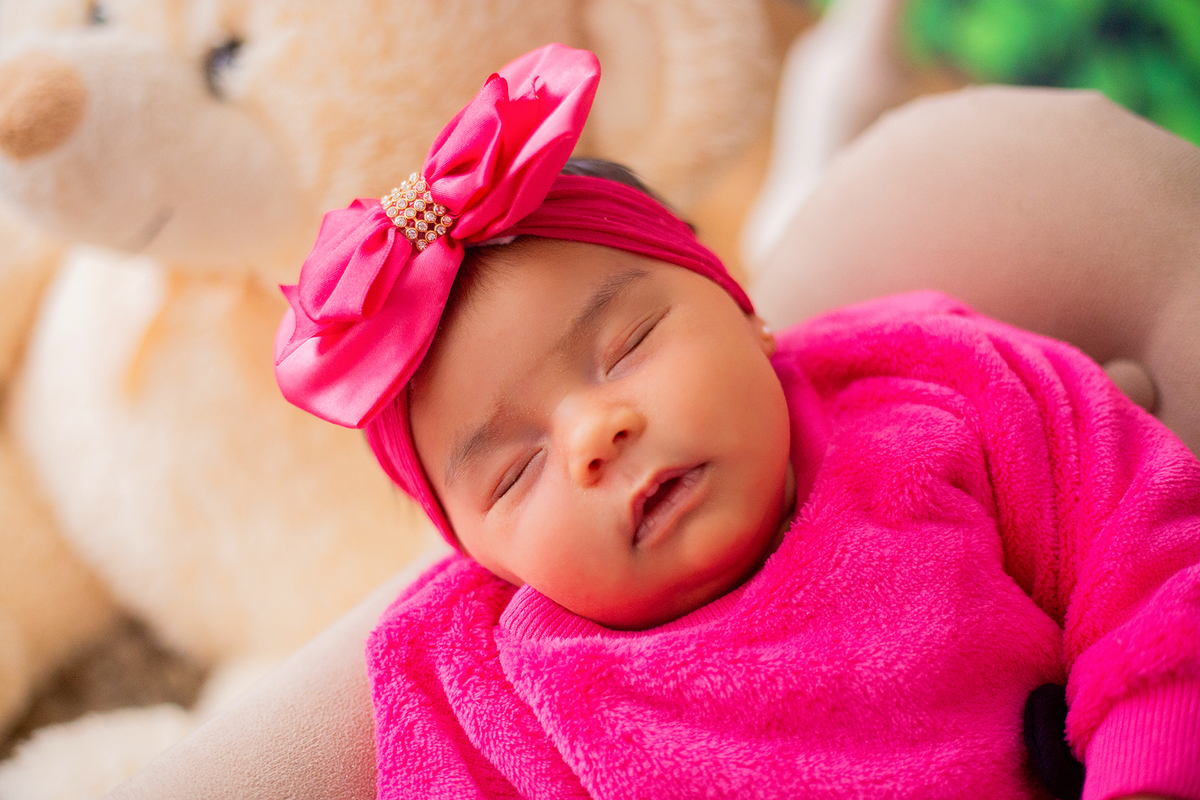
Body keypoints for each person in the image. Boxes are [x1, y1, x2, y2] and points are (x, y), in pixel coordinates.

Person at [106, 46, 1198, 800]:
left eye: (624, 346)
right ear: (478, 555)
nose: (594, 432)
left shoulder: (935, 389)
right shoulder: (479, 679)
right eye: (517, 469)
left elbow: (1149, 562)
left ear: (741, 304)